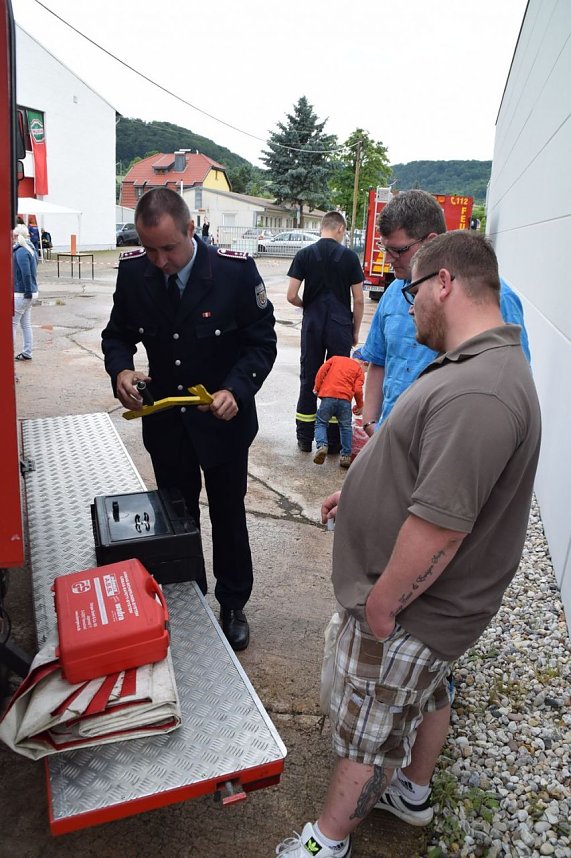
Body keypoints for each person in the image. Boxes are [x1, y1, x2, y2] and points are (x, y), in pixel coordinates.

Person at [276, 231, 541, 857]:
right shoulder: (477, 362)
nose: (406, 299)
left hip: (414, 609)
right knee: (424, 695)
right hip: (427, 607)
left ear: (444, 283)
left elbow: (443, 526)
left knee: (368, 727)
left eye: (411, 287)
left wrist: (383, 606)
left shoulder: (481, 389)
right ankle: (413, 794)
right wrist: (364, 492)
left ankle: (326, 841)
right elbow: (431, 476)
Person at [101, 188, 277, 651]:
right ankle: (190, 595)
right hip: (167, 421)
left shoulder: (235, 274)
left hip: (222, 421)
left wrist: (236, 389)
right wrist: (121, 370)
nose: (159, 260)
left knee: (227, 512)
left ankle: (233, 601)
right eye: (151, 249)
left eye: (168, 248)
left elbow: (261, 343)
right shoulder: (135, 273)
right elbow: (116, 335)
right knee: (177, 517)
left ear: (190, 230)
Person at [360, 190, 531, 435]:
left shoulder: (495, 300)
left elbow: (511, 388)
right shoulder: (392, 293)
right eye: (384, 248)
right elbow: (378, 360)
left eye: (398, 250)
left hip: (447, 446)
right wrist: (370, 424)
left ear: (429, 242)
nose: (389, 260)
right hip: (390, 443)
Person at [287, 212, 364, 453]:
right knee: (338, 382)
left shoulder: (304, 255)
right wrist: (354, 330)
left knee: (309, 378)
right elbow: (359, 300)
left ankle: (304, 438)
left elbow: (291, 295)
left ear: (323, 228)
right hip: (340, 324)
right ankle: (332, 441)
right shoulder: (350, 257)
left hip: (312, 323)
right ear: (341, 228)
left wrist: (307, 306)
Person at [313, 353, 365, 469]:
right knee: (345, 427)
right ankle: (346, 456)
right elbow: (357, 389)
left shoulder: (335, 359)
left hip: (328, 397)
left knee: (321, 423)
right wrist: (360, 405)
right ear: (364, 363)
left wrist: (317, 388)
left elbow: (321, 372)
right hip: (345, 401)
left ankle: (322, 446)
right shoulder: (359, 370)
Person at [12, 225, 39, 361]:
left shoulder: (21, 251)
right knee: (25, 324)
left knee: (12, 324)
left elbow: (26, 274)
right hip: (31, 292)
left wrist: (27, 291)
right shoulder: (31, 249)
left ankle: (7, 355)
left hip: (22, 293)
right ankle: (27, 352)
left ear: (17, 236)